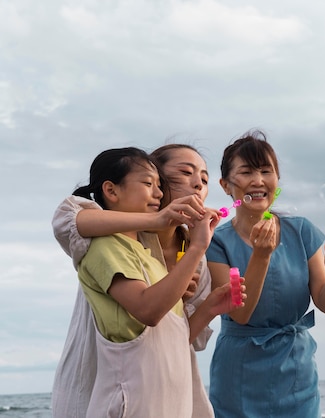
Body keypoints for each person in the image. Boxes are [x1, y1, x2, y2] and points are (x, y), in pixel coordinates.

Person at [51, 145, 244, 417]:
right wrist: (158, 219)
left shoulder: (194, 254)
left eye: (204, 178)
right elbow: (67, 220)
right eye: (185, 173)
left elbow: (177, 337)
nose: (198, 183)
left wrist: (206, 305)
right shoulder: (112, 235)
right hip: (103, 385)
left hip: (163, 394)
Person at [206, 130, 325, 417]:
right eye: (246, 172)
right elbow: (241, 313)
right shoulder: (216, 242)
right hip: (239, 372)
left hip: (295, 370)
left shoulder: (301, 230)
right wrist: (261, 255)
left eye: (266, 171)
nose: (258, 180)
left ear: (277, 180)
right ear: (225, 185)